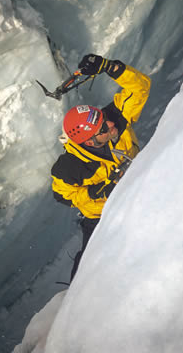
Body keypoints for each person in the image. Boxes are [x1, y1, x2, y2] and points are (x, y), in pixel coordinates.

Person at [51, 54, 151, 281]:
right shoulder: (70, 168)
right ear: (89, 141)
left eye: (103, 118)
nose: (111, 123)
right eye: (103, 128)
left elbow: (140, 88)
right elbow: (64, 196)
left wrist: (109, 67)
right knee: (88, 272)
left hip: (141, 188)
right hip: (101, 217)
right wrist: (100, 193)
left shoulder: (115, 117)